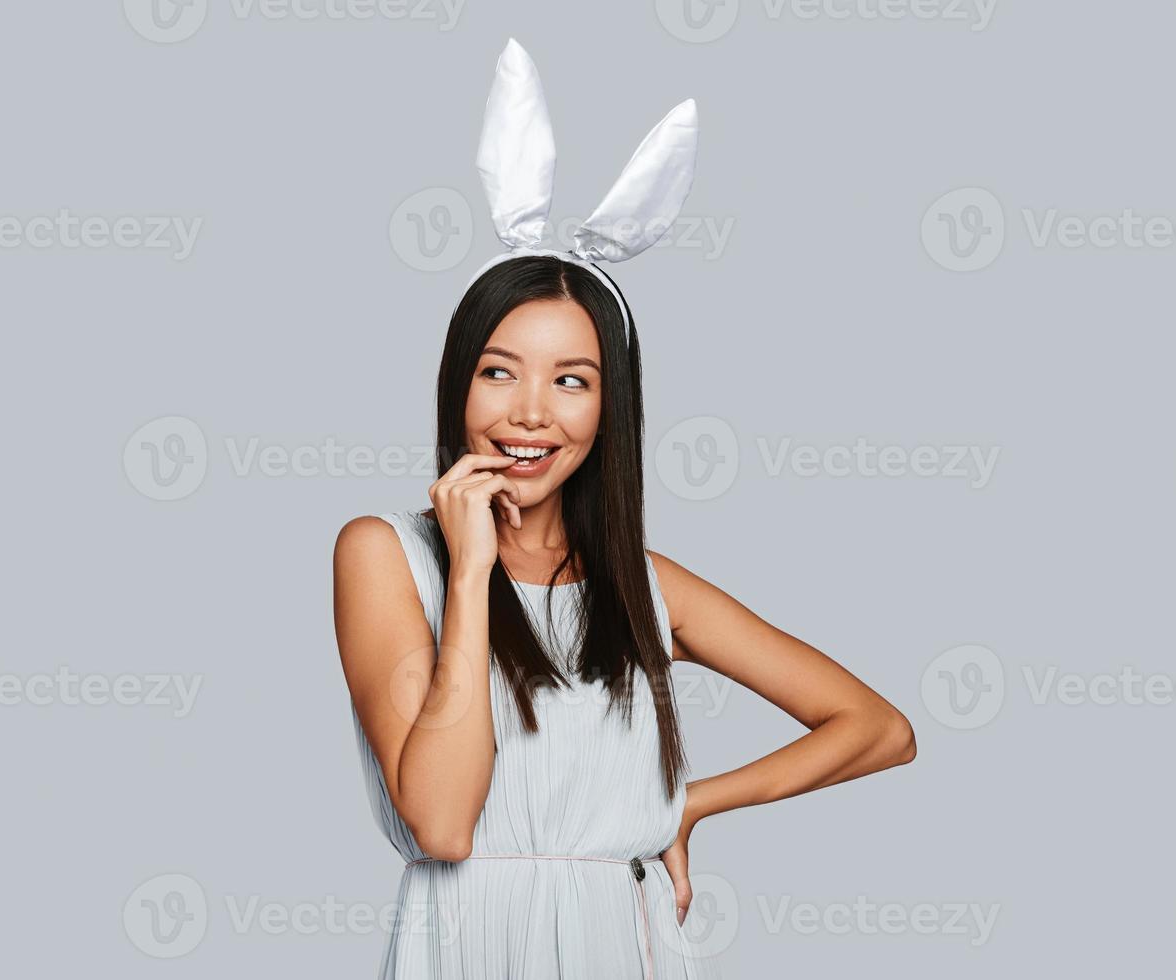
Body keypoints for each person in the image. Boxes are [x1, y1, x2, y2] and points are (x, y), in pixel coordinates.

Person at [333, 39, 915, 979]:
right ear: (457, 387)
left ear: (609, 411)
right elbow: (440, 822)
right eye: (498, 373)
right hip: (467, 946)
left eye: (572, 380)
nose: (529, 412)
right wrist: (473, 568)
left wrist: (687, 804)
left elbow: (877, 728)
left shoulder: (643, 586)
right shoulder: (382, 555)